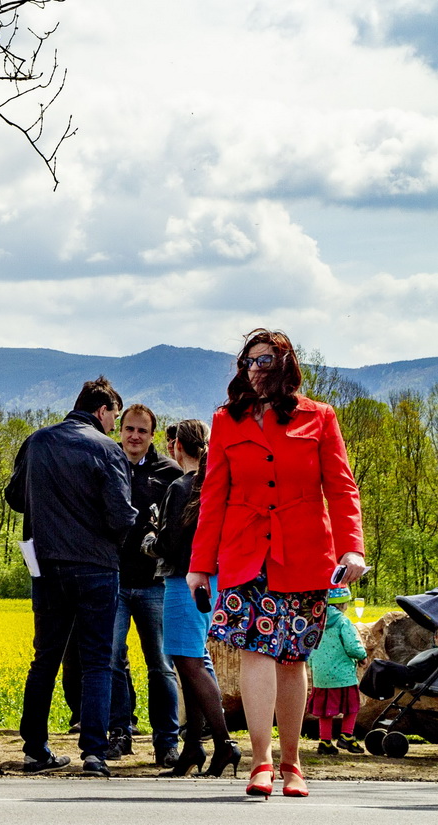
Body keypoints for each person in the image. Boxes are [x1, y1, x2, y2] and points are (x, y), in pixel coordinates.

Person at [189, 329, 365, 799]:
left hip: (305, 553)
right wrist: (199, 564)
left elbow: (342, 489)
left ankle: (293, 763)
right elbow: (213, 497)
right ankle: (261, 761)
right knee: (256, 652)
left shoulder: (320, 417)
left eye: (264, 361)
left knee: (292, 658)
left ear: (285, 364)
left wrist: (353, 549)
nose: (254, 369)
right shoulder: (227, 419)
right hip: (246, 553)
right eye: (248, 362)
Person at [4, 376, 135, 776]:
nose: (116, 423)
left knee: (45, 658)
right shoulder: (107, 449)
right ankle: (94, 752)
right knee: (96, 660)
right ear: (102, 410)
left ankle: (35, 749)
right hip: (95, 566)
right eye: (115, 414)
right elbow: (119, 515)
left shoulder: (38, 441)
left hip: (45, 564)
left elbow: (12, 497)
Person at [148, 418, 239, 778]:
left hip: (183, 581)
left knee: (187, 660)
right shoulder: (215, 485)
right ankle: (193, 748)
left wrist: (148, 543)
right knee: (195, 660)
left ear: (176, 447)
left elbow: (169, 543)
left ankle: (223, 742)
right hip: (212, 580)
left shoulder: (180, 486)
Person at [107, 402, 182, 764]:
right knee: (111, 659)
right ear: (119, 431)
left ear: (152, 435)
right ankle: (120, 732)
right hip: (115, 580)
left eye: (142, 430)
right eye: (129, 429)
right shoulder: (107, 463)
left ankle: (166, 741)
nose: (134, 436)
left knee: (162, 665)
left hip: (155, 584)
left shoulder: (168, 473)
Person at [307, 587, 367, 755]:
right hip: (343, 675)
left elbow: (309, 644)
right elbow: (352, 644)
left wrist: (312, 665)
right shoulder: (343, 621)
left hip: (321, 675)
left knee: (325, 710)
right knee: (352, 706)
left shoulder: (316, 620)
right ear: (341, 604)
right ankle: (346, 735)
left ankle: (325, 742)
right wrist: (362, 656)